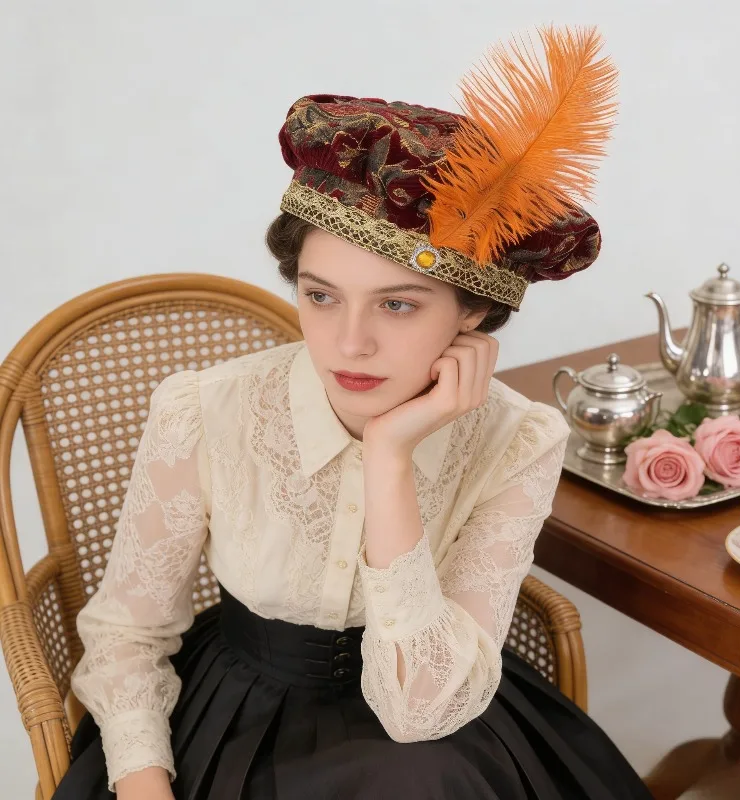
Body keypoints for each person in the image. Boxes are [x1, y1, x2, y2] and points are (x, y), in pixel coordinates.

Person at [53, 26, 653, 800]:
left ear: (471, 314)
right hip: (233, 716)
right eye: (320, 294)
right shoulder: (206, 409)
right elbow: (125, 637)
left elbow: (422, 712)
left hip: (434, 725)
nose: (349, 342)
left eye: (398, 305)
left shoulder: (520, 438)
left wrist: (390, 458)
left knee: (419, 773)